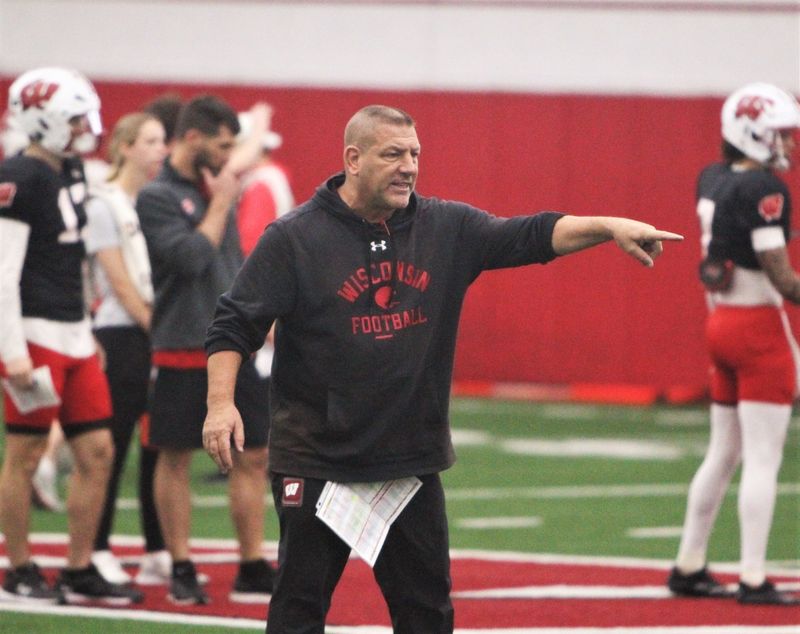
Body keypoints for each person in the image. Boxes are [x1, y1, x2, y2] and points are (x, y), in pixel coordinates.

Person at [202, 104, 683, 632]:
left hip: (408, 459)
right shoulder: (294, 236)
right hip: (318, 460)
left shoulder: (445, 227)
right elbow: (234, 324)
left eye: (415, 154)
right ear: (353, 159)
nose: (409, 165)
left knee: (427, 614)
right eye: (393, 154)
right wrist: (221, 405)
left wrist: (608, 226)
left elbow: (532, 235)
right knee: (298, 611)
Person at [0, 66, 142, 605]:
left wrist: (87, 321)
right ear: (44, 121)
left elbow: (75, 257)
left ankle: (78, 566)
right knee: (27, 454)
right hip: (33, 331)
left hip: (74, 331)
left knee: (99, 451)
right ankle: (19, 566)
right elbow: (2, 272)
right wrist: (11, 349)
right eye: (77, 117)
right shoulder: (18, 175)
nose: (88, 127)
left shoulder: (73, 170)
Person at [137, 95, 275, 605]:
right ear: (192, 139)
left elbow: (232, 265)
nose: (227, 156)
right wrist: (220, 203)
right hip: (180, 344)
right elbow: (192, 259)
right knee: (174, 458)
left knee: (255, 454)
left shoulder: (215, 183)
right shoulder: (157, 197)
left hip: (233, 346)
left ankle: (252, 563)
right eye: (220, 145)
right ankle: (180, 563)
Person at [667, 83, 800, 606]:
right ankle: (752, 576)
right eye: (780, 136)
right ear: (753, 134)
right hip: (757, 328)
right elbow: (784, 279)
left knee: (723, 452)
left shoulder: (713, 177)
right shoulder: (765, 190)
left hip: (719, 324)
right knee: (763, 459)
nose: (788, 145)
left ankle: (689, 563)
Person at [83, 112, 169, 585]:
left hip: (155, 331)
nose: (161, 150)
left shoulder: (153, 202)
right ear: (125, 146)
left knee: (158, 443)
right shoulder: (105, 203)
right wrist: (161, 329)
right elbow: (117, 281)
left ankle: (156, 547)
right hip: (123, 333)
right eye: (152, 141)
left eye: (162, 141)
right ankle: (96, 545)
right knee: (111, 445)